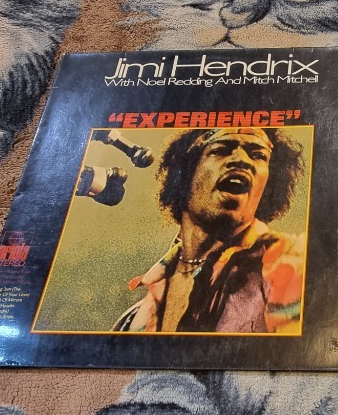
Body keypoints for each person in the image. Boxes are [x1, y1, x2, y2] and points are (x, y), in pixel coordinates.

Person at [113, 127, 306, 333]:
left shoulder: (290, 262)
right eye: (221, 150)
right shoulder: (134, 318)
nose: (242, 160)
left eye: (258, 155)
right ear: (184, 175)